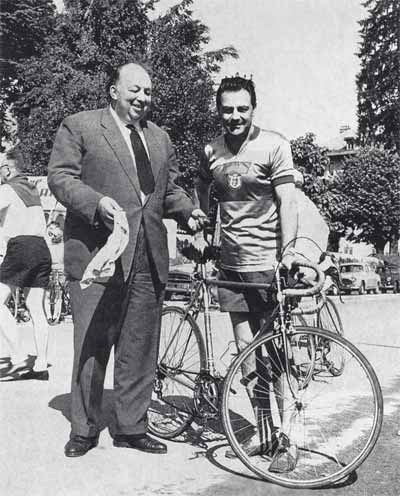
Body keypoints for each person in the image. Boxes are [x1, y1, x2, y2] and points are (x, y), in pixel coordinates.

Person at [47, 61, 206, 458]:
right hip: (98, 256)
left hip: (148, 256)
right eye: (134, 89)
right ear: (113, 91)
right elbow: (61, 177)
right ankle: (84, 428)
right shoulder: (80, 126)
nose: (142, 97)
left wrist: (188, 211)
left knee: (139, 346)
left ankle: (132, 427)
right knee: (92, 344)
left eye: (148, 91)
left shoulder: (160, 138)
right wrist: (96, 203)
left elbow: (168, 191)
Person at [195, 75, 300, 473]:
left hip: (268, 266)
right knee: (248, 354)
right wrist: (201, 230)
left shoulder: (274, 145)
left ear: (254, 108)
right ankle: (264, 431)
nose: (235, 116)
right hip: (231, 268)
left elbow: (287, 201)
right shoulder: (211, 150)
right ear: (218, 111)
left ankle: (290, 438)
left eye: (242, 108)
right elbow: (202, 189)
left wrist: (289, 252)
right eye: (227, 110)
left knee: (278, 355)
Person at [0, 146, 52, 381]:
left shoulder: (8, 189)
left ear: (8, 169)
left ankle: (17, 355)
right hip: (41, 249)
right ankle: (41, 365)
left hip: (21, 247)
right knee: (35, 307)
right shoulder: (32, 191)